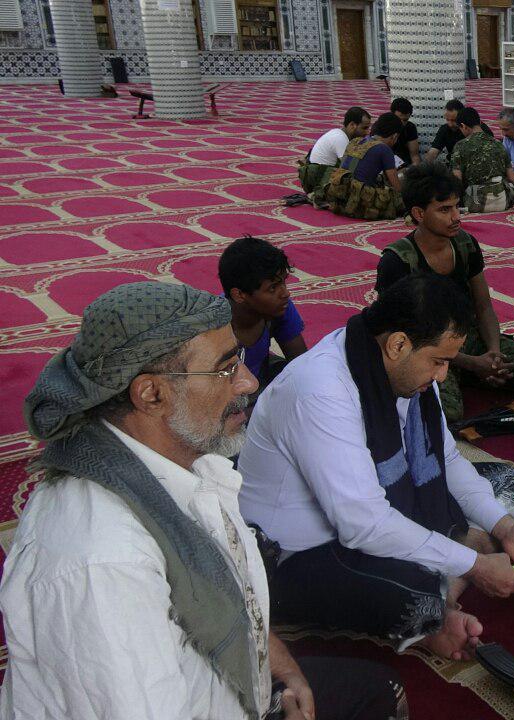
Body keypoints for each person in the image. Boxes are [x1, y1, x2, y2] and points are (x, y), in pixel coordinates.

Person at [4, 282, 405, 719]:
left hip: (230, 685)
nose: (249, 381)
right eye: (225, 369)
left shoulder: (184, 455)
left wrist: (278, 662)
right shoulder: (103, 565)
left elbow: (231, 591)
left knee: (379, 691)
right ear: (152, 394)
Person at [238, 274, 514, 660]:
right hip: (300, 551)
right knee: (418, 599)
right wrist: (475, 566)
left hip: (379, 507)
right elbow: (363, 524)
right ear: (398, 344)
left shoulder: (408, 372)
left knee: (504, 480)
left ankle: (451, 575)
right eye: (439, 361)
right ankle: (440, 603)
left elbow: (447, 459)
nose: (443, 375)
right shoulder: (320, 391)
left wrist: (507, 530)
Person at [375, 164, 514, 422]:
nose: (456, 216)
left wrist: (493, 355)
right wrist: (471, 363)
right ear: (419, 213)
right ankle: (468, 374)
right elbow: (394, 333)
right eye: (444, 210)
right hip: (425, 349)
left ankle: (475, 373)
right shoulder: (398, 261)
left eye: (457, 206)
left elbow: (483, 307)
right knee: (448, 413)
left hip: (467, 337)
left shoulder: (465, 245)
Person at [218, 236, 307, 388]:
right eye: (272, 288)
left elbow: (301, 365)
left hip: (260, 380)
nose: (286, 293)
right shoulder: (212, 327)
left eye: (283, 282)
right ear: (239, 295)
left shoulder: (279, 307)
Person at [312, 112, 405, 221]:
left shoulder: (356, 141)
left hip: (337, 193)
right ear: (394, 136)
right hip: (358, 199)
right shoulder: (384, 149)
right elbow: (396, 186)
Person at [451, 106, 514, 213]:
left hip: (474, 204)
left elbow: (456, 181)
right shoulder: (498, 144)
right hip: (503, 202)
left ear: (463, 126)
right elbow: (512, 178)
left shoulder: (460, 146)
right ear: (480, 122)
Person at [299, 106, 371, 193]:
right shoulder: (340, 138)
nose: (367, 132)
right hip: (320, 184)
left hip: (318, 177)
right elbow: (351, 168)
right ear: (352, 125)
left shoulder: (339, 133)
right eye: (364, 128)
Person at [390, 97, 420, 167]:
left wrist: (416, 169)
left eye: (405, 120)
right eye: (398, 119)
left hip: (405, 164)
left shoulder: (410, 127)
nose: (401, 123)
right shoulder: (382, 126)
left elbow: (414, 155)